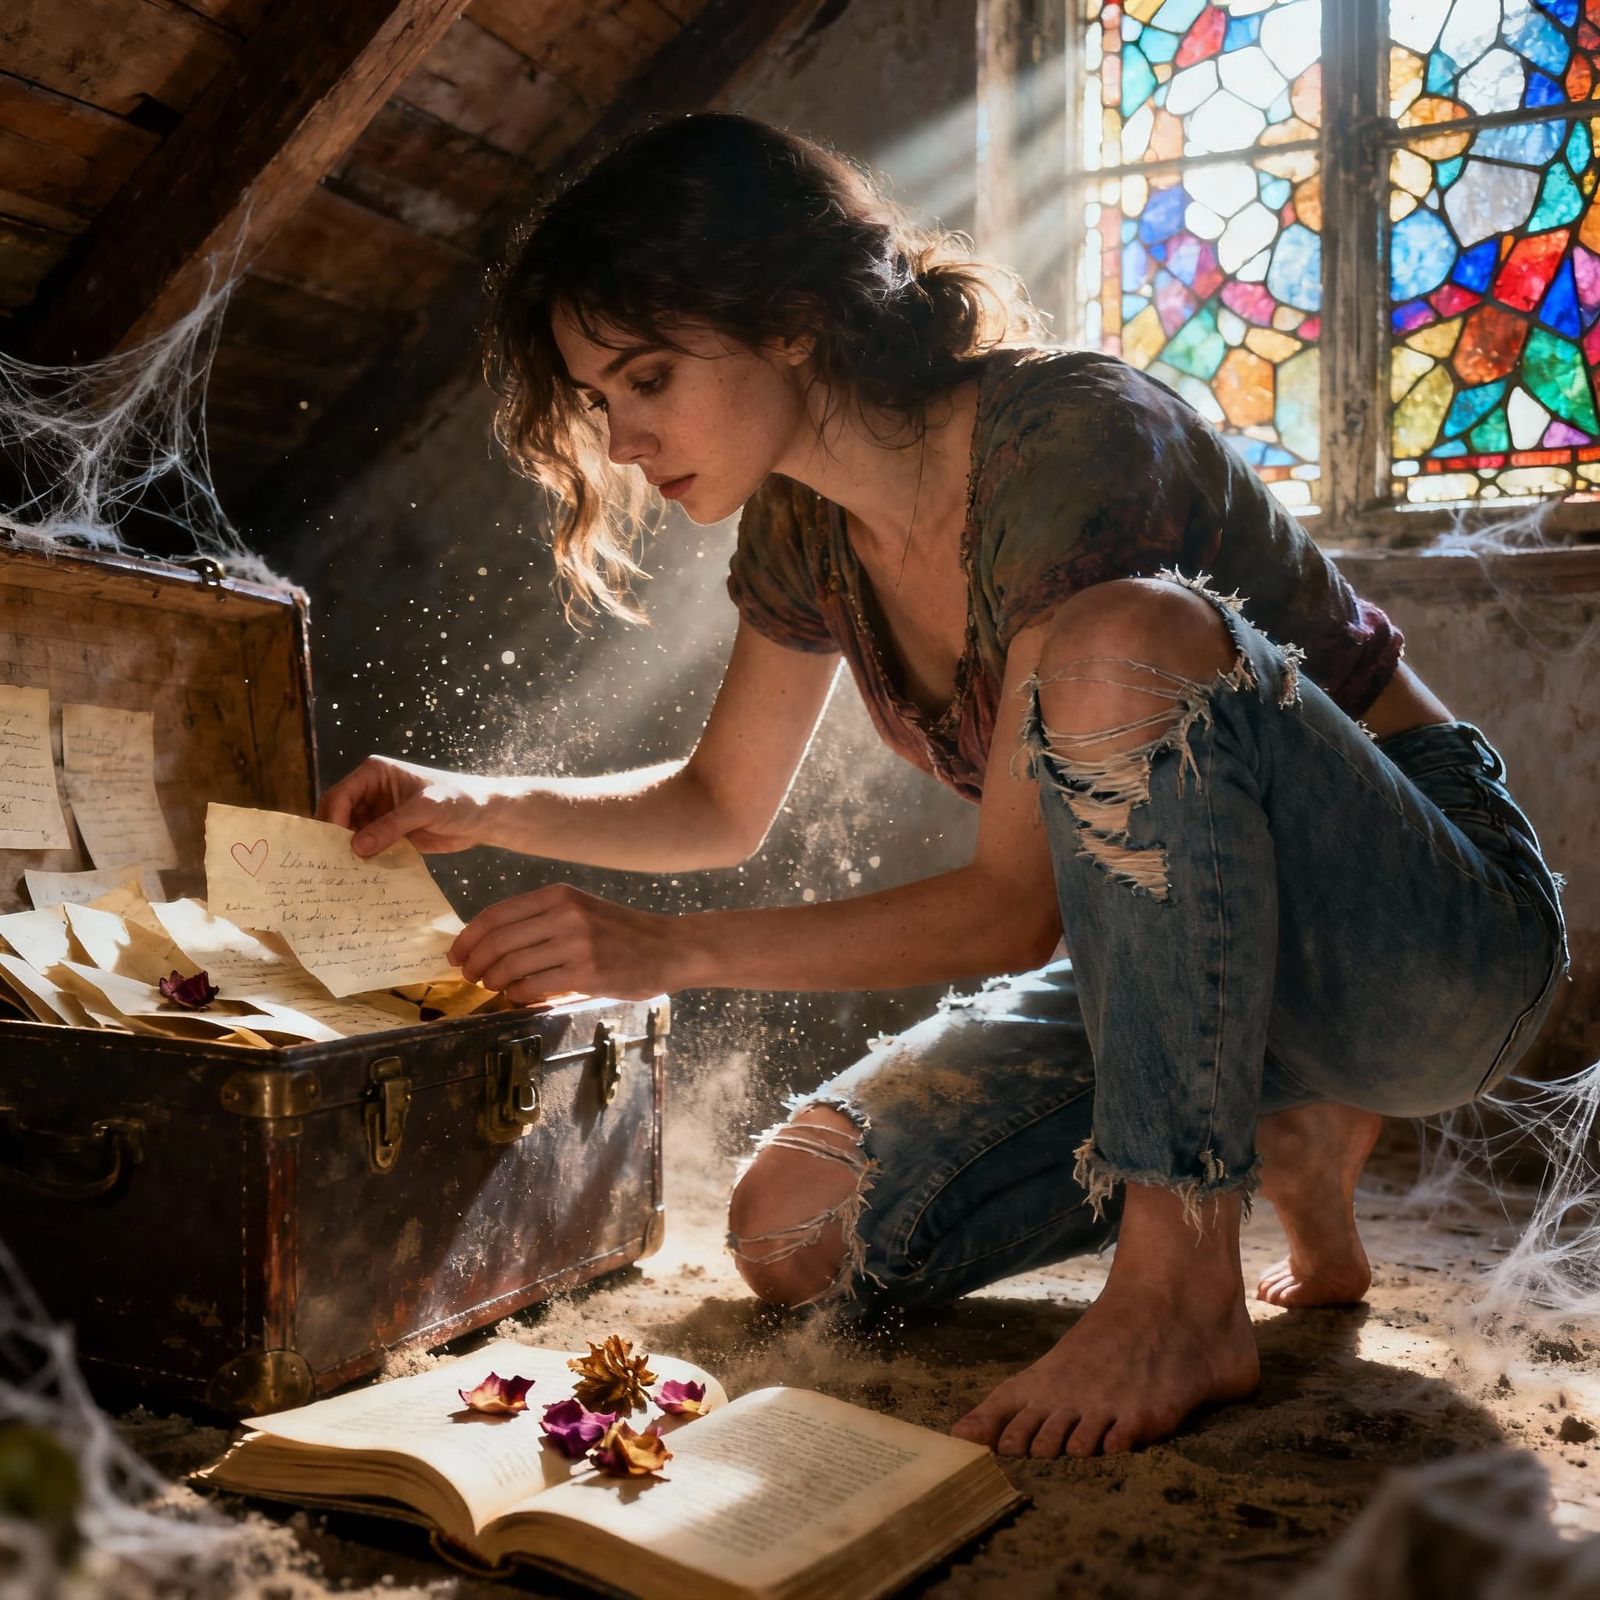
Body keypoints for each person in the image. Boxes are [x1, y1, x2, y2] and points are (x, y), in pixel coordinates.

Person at [319, 114, 1569, 1460]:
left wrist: (666, 950)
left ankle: (1178, 1291)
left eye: (649, 378)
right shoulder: (800, 521)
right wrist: (475, 802)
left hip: (1430, 948)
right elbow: (720, 804)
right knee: (791, 1231)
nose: (623, 439)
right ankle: (1288, 1129)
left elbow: (1012, 912)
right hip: (1186, 973)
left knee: (1120, 644)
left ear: (792, 320)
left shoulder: (1074, 435)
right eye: (599, 401)